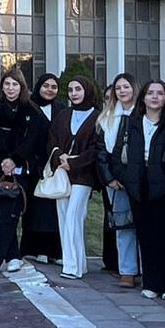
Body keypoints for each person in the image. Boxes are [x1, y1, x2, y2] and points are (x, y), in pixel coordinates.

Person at [105, 80, 165, 302]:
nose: (155, 97)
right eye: (150, 93)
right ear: (144, 97)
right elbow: (118, 152)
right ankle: (151, 283)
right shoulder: (133, 121)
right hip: (139, 189)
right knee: (147, 237)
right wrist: (126, 177)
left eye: (160, 93)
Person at [0, 68, 46, 275]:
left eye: (15, 84)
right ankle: (13, 256)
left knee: (9, 212)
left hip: (22, 170)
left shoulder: (32, 111)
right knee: (1, 213)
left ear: (22, 87)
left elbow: (33, 140)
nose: (10, 88)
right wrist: (3, 160)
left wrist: (15, 159)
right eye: (7, 84)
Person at [47, 75, 100, 279]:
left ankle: (71, 267)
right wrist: (59, 156)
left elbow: (97, 148)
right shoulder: (63, 114)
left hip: (83, 175)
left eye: (78, 89)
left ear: (87, 90)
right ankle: (79, 263)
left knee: (73, 217)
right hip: (62, 172)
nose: (74, 93)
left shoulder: (97, 116)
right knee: (63, 218)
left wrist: (75, 162)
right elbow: (52, 139)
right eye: (70, 90)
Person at [98, 74, 139, 286]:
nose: (122, 91)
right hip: (116, 181)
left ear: (134, 88)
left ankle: (147, 270)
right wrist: (110, 178)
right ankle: (127, 271)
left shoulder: (142, 115)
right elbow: (101, 152)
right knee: (123, 226)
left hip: (139, 180)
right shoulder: (107, 118)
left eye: (126, 87)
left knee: (144, 226)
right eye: (118, 88)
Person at [21, 73, 65, 264]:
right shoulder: (27, 107)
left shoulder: (62, 110)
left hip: (54, 166)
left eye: (54, 87)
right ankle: (34, 249)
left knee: (53, 211)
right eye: (46, 85)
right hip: (32, 165)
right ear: (39, 86)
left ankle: (54, 251)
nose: (49, 90)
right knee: (34, 210)